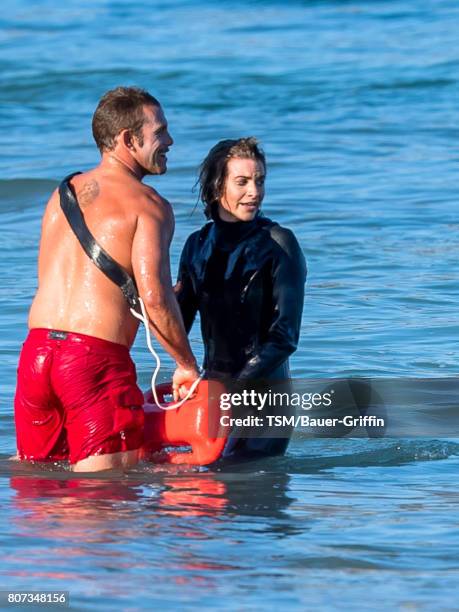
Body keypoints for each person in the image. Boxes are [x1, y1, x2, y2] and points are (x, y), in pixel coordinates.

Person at [14, 87, 200, 472]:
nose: (170, 141)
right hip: (92, 363)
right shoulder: (148, 206)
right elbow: (154, 298)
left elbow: (51, 277)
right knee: (104, 502)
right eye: (160, 132)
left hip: (37, 356)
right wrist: (185, 363)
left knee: (37, 487)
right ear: (128, 140)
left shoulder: (62, 193)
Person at [176, 138, 306, 458]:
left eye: (259, 181)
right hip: (213, 394)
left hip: (264, 403)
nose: (254, 191)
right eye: (242, 182)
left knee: (243, 493)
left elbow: (285, 337)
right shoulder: (197, 244)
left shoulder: (280, 243)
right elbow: (178, 320)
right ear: (217, 186)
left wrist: (233, 391)